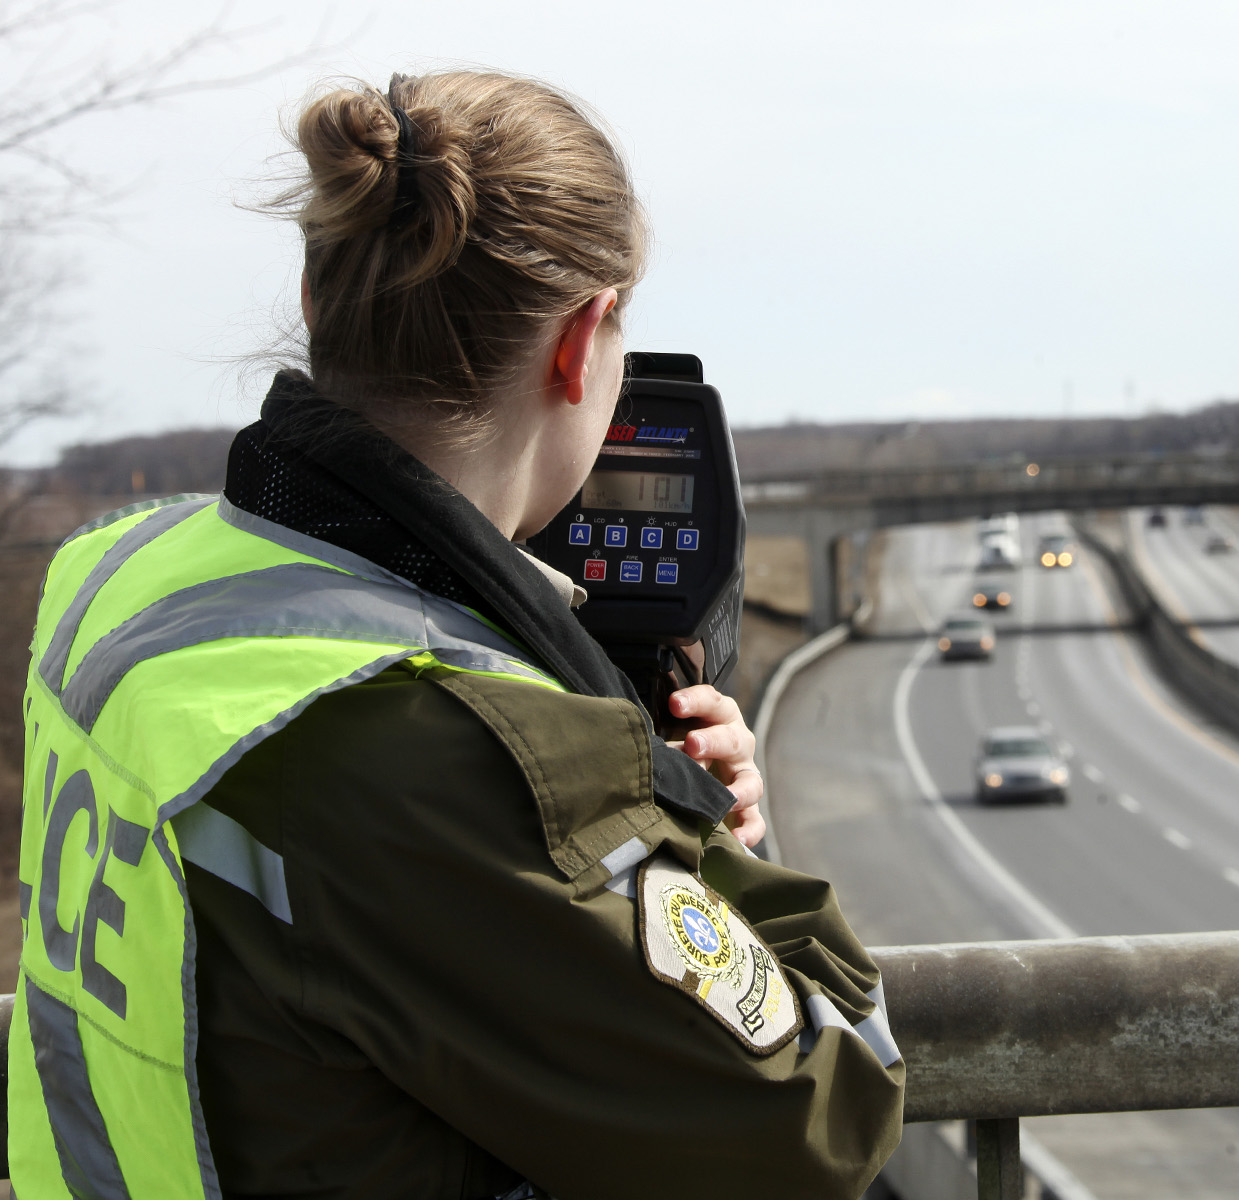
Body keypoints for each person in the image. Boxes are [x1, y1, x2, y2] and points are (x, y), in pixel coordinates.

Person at [12, 70, 903, 1199]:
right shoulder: (446, 753)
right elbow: (825, 1114)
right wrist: (704, 846)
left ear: (313, 287)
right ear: (582, 344)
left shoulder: (121, 575)